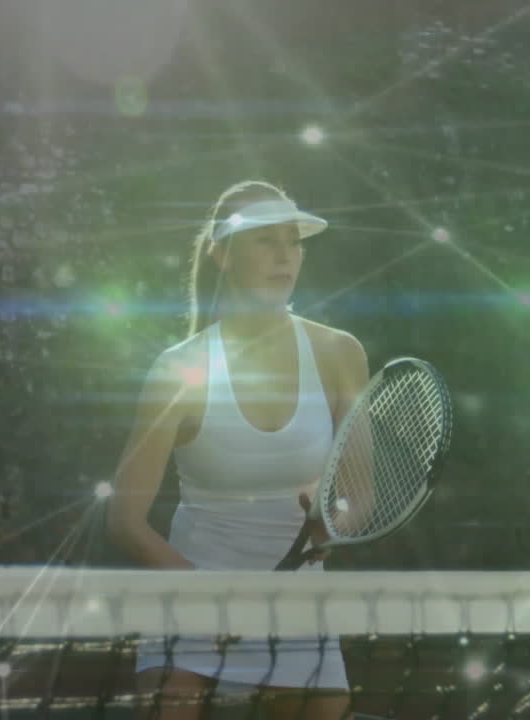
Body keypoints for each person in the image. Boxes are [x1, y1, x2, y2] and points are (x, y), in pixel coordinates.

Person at [106, 180, 369, 719]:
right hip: (191, 602)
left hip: (298, 609)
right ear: (222, 254)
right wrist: (206, 599)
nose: (284, 256)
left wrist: (332, 519)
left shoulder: (340, 353)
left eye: (292, 241)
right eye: (263, 241)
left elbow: (360, 493)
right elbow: (125, 520)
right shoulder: (179, 369)